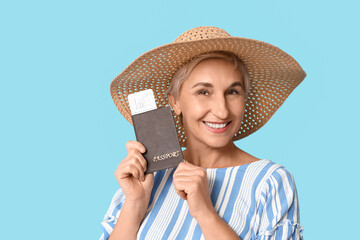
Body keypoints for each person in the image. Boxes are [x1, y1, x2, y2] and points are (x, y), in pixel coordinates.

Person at [100, 26, 306, 240]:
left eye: (232, 92)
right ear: (175, 102)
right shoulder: (148, 178)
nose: (221, 110)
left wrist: (206, 214)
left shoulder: (268, 182)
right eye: (203, 92)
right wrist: (135, 204)